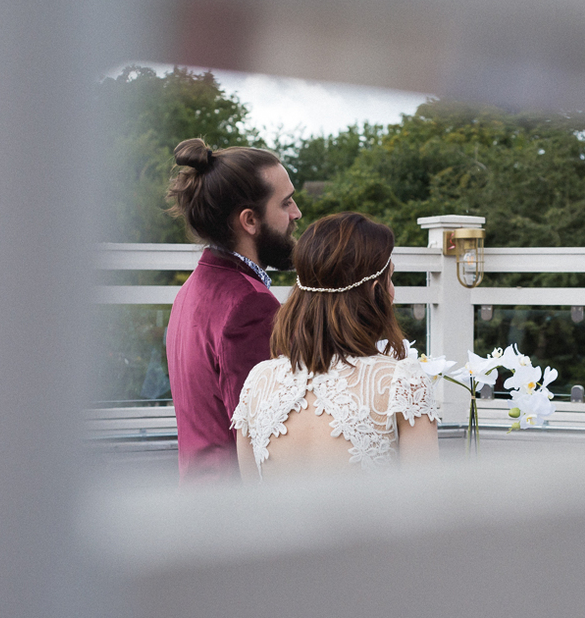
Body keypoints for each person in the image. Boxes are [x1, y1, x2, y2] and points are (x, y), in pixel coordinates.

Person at [232, 212, 440, 481]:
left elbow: (252, 499)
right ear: (376, 291)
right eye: (391, 279)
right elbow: (425, 507)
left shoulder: (258, 381)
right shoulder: (402, 383)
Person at [164, 138, 301, 481]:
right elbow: (266, 436)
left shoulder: (190, 290)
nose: (296, 213)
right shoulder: (249, 304)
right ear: (250, 220)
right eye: (285, 204)